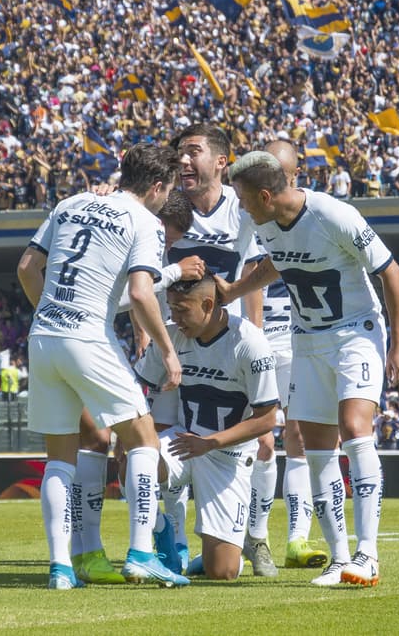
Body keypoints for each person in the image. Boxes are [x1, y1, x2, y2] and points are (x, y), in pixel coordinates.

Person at [219, 150, 399, 587]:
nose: (242, 206)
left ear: (266, 195)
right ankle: (339, 558)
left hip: (356, 332)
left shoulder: (332, 214)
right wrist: (235, 291)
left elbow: (392, 272)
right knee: (315, 444)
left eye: (245, 199)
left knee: (354, 427)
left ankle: (368, 554)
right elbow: (277, 263)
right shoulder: (263, 223)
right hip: (307, 339)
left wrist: (398, 345)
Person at [17, 143, 189, 590]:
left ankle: (60, 568)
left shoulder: (71, 202)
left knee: (59, 459)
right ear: (156, 188)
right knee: (144, 440)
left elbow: (26, 268)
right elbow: (140, 293)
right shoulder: (145, 222)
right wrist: (168, 352)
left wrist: (50, 315)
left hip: (43, 336)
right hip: (89, 337)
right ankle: (140, 554)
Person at [167, 124, 273, 576]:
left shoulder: (242, 209)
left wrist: (254, 334)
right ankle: (161, 545)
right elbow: (142, 274)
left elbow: (261, 268)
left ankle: (257, 537)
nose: (184, 161)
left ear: (221, 162)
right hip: (171, 336)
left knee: (265, 441)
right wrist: (145, 335)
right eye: (179, 154)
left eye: (193, 152)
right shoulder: (167, 209)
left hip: (228, 336)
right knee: (150, 441)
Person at [137, 275, 280, 580]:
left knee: (223, 572)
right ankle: (162, 532)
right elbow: (140, 389)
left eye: (181, 310)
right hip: (182, 441)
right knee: (136, 459)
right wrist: (133, 438)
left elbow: (268, 418)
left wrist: (211, 443)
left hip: (226, 455)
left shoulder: (249, 343)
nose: (174, 318)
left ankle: (227, 547)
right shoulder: (171, 335)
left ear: (207, 304)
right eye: (171, 310)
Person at [259, 140, 328, 570]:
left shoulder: (316, 216)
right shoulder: (245, 212)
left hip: (297, 341)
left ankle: (297, 538)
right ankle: (250, 537)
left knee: (297, 436)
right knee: (256, 440)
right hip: (251, 340)